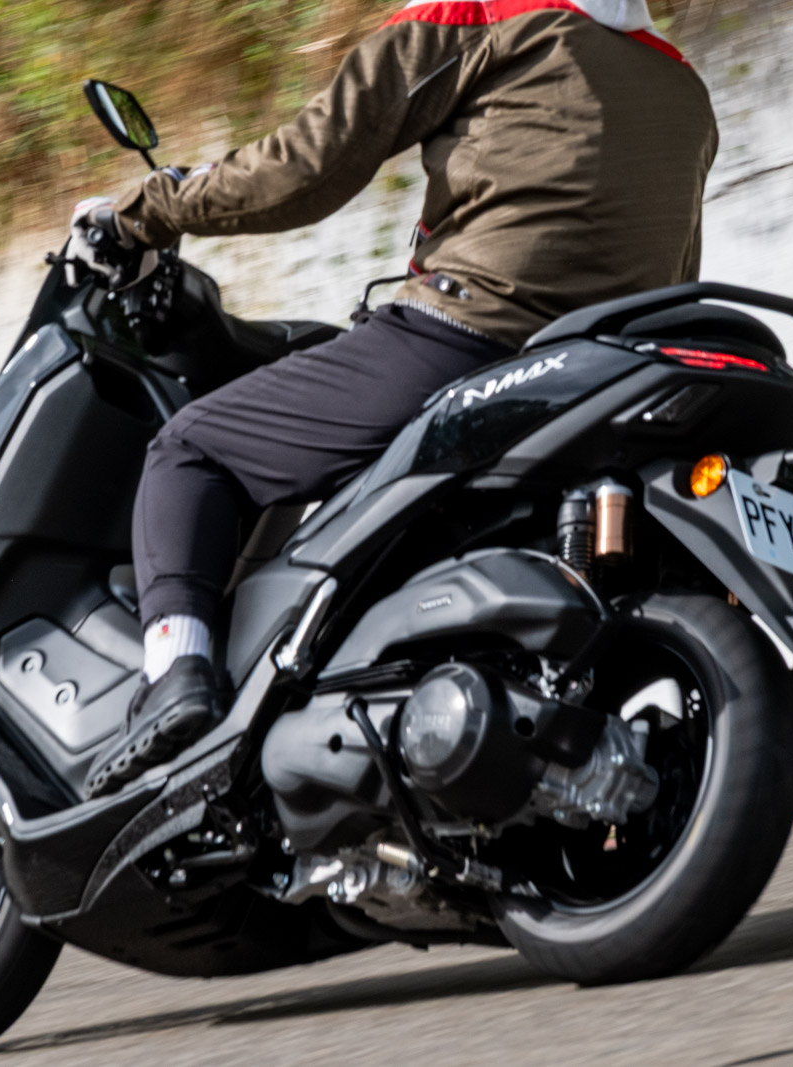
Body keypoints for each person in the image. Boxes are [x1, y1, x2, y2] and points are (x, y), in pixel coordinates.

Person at [75, 0, 718, 799]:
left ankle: (175, 678)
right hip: (605, 369)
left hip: (468, 338)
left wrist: (148, 211)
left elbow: (309, 166)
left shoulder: (479, 15)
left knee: (192, 447)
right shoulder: (680, 82)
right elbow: (676, 262)